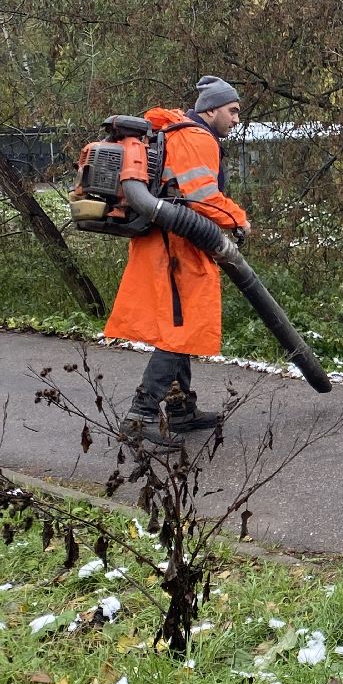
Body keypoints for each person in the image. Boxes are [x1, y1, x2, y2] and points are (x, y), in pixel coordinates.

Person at [104, 75, 251, 446]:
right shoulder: (197, 137)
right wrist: (238, 219)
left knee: (180, 324)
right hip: (176, 248)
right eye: (232, 111)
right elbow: (202, 197)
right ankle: (140, 415)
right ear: (211, 110)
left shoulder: (177, 133)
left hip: (168, 242)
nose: (236, 119)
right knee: (181, 328)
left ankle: (181, 408)